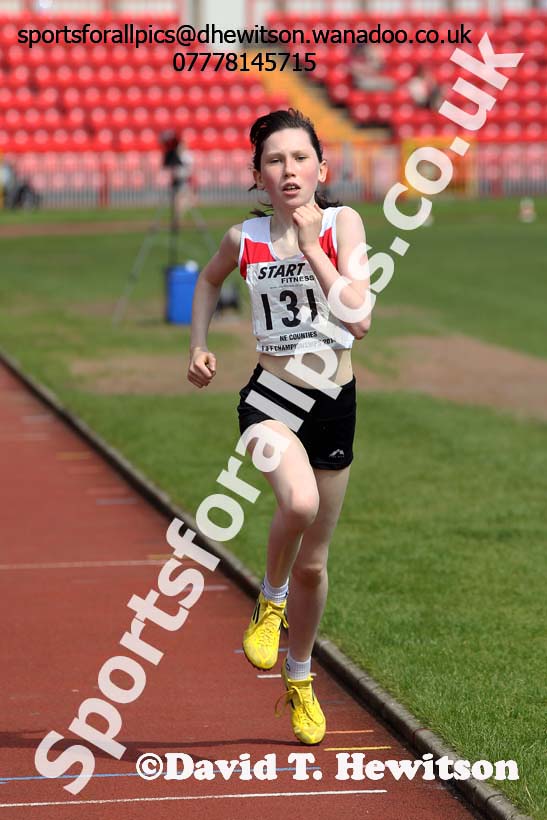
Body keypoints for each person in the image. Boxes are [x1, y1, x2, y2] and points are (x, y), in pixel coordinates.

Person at [187, 109, 371, 745]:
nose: (287, 170)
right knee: (298, 499)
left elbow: (359, 318)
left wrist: (313, 244)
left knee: (315, 567)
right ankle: (269, 598)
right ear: (257, 175)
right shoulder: (244, 238)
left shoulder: (345, 224)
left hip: (334, 402)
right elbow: (208, 282)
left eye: (299, 159)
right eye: (274, 160)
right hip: (270, 399)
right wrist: (199, 343)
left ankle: (299, 679)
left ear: (322, 169)